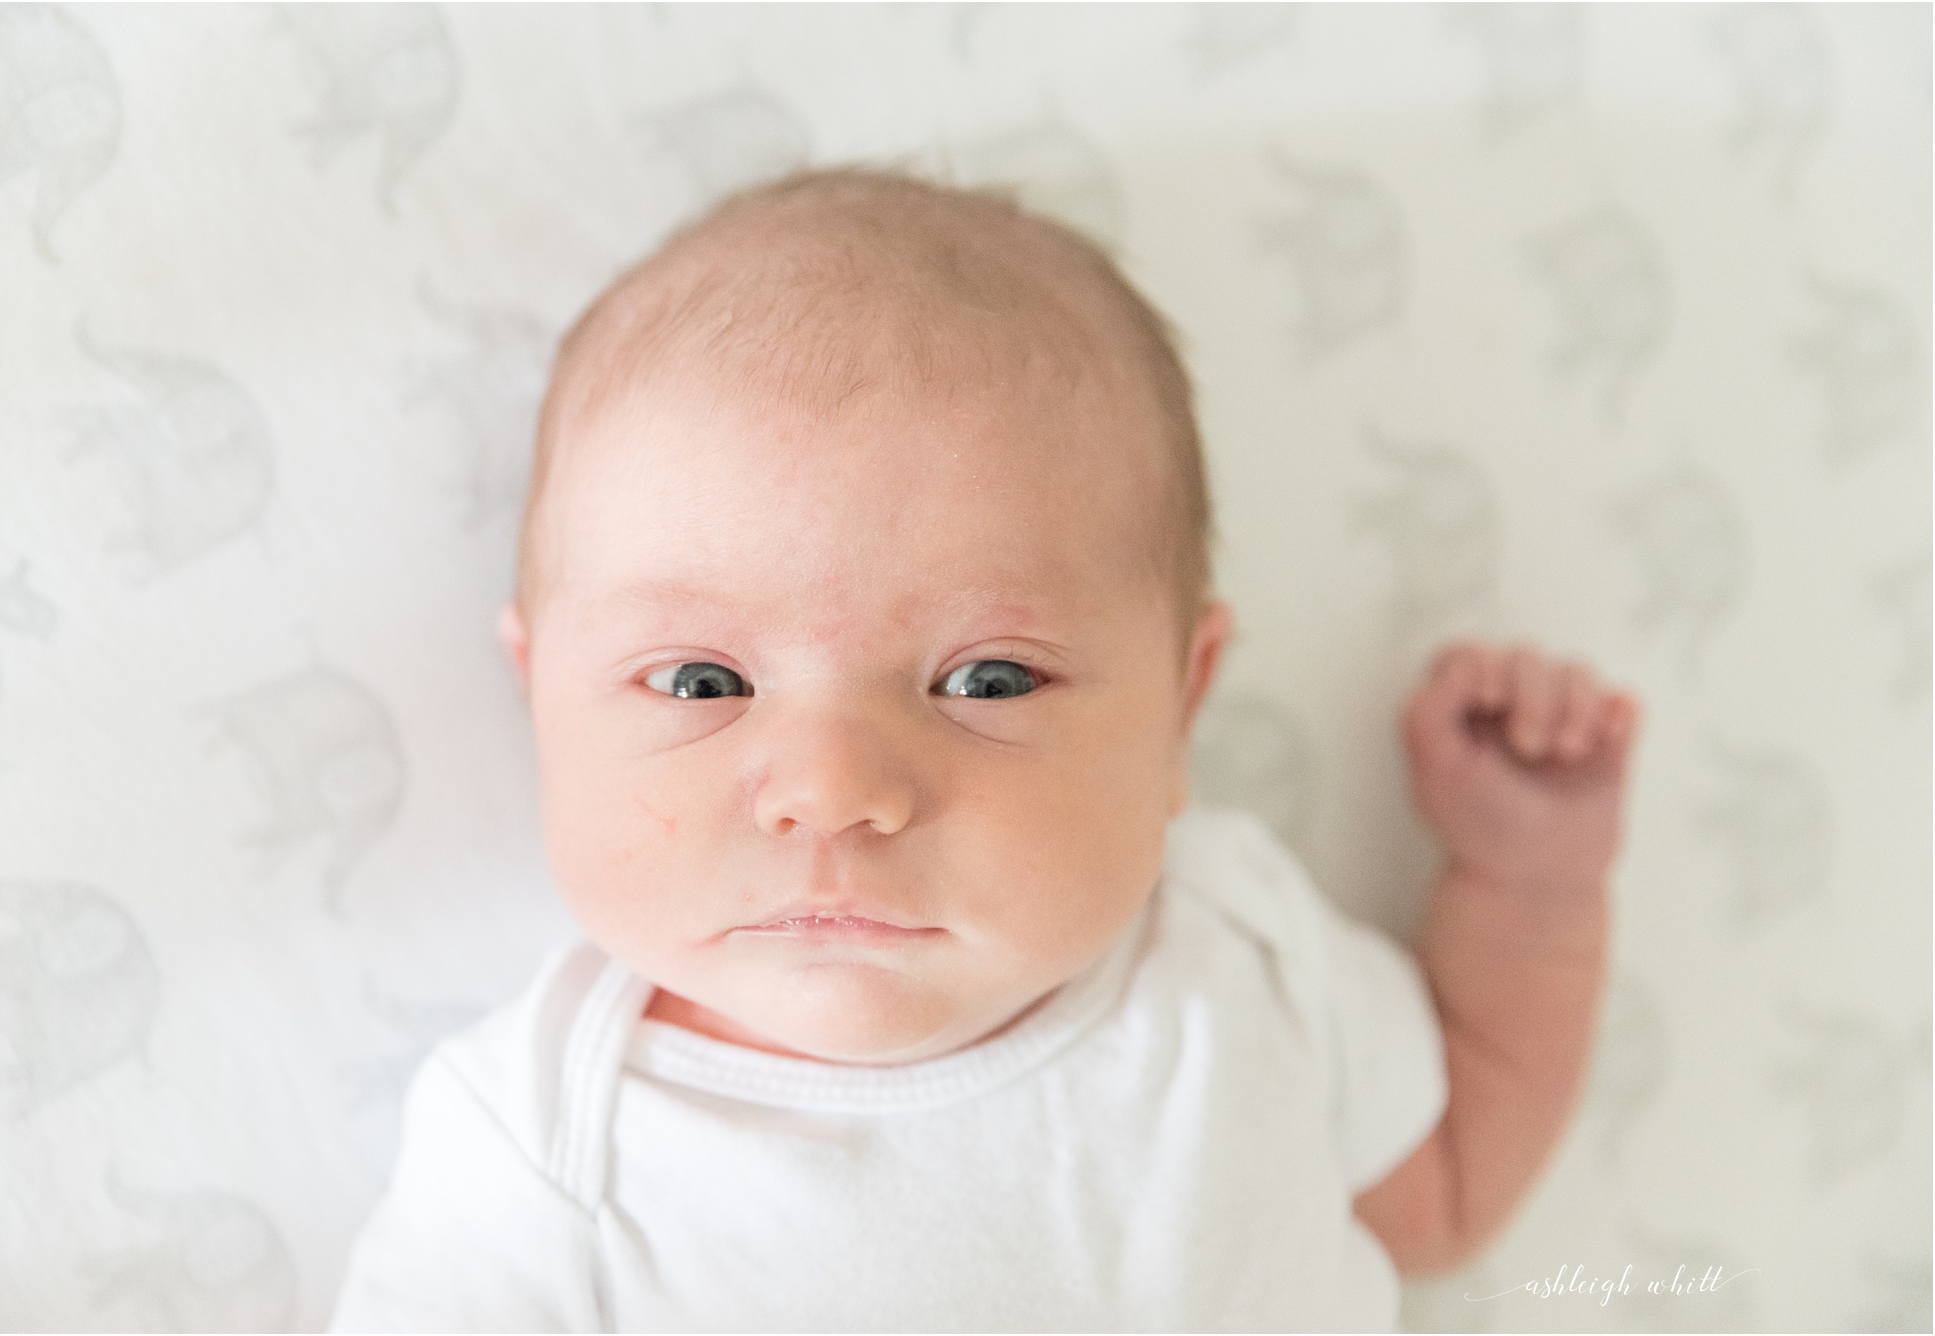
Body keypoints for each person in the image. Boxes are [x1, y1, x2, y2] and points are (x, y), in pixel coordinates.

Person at [330, 167, 1639, 1331]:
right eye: (701, 680)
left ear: (1179, 709)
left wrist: (1529, 893)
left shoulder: (1242, 957)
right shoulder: (544, 1153)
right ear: (540, 696)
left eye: (986, 678)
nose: (834, 791)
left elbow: (1449, 1188)